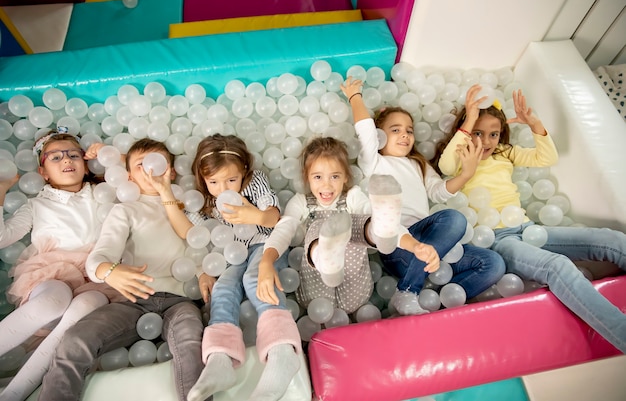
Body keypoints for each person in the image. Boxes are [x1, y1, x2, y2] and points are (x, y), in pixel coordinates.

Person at [433, 84, 626, 353]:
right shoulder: (461, 158)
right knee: (558, 266)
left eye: (493, 134)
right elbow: (445, 167)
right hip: (498, 241)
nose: (486, 141)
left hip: (527, 229)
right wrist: (469, 122)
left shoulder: (504, 153)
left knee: (612, 239)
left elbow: (547, 156)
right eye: (479, 133)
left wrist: (534, 123)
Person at [37, 138, 207, 401]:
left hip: (181, 300)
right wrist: (110, 271)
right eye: (141, 165)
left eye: (158, 164)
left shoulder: (190, 208)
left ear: (171, 171)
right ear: (128, 176)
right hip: (133, 301)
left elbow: (200, 246)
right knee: (75, 341)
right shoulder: (125, 211)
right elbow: (99, 257)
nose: (150, 170)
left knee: (190, 344)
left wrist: (204, 270)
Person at [342, 77, 506, 313]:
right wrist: (354, 96)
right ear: (380, 136)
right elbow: (365, 131)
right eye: (395, 130)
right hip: (401, 246)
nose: (405, 135)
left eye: (409, 131)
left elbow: (439, 193)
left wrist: (466, 174)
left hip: (432, 245)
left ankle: (433, 306)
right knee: (455, 219)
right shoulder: (374, 162)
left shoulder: (419, 165)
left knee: (493, 264)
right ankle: (407, 291)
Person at [256, 136, 438, 316]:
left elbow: (380, 219)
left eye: (334, 176)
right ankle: (324, 257)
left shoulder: (352, 195)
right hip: (316, 293)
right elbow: (284, 230)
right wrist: (266, 261)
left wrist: (414, 246)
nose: (326, 185)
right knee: (320, 226)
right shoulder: (300, 202)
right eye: (318, 177)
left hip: (355, 289)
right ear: (307, 178)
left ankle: (378, 235)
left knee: (361, 220)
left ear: (345, 177)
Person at [0, 129, 120, 401]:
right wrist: (1, 190)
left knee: (85, 308)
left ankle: (13, 394)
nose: (67, 160)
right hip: (53, 272)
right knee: (53, 300)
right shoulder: (36, 204)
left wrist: (108, 155)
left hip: (98, 276)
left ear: (86, 164)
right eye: (55, 157)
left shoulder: (103, 192)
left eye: (74, 155)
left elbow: (135, 178)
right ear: (42, 172)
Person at [186, 134, 301, 401]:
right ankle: (220, 359)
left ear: (244, 172)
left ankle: (283, 352)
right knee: (224, 287)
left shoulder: (255, 182)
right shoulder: (205, 201)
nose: (222, 187)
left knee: (253, 279)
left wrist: (257, 216)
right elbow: (191, 234)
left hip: (264, 242)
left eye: (230, 180)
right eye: (213, 182)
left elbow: (274, 218)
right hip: (231, 253)